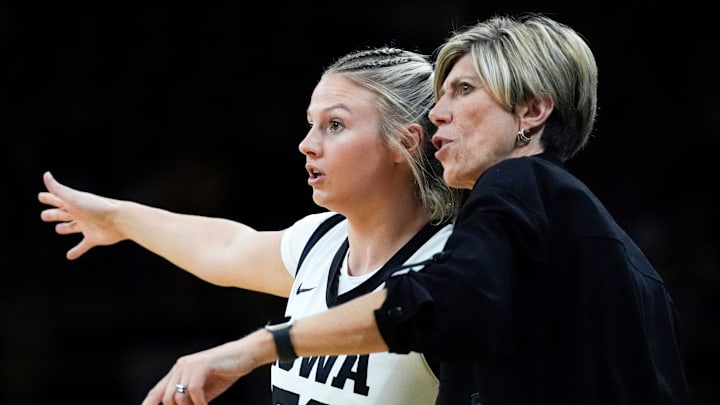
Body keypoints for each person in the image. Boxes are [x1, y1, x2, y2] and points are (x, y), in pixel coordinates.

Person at [107, 13, 691, 405]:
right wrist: (114, 216)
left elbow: (443, 299)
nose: (440, 113)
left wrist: (260, 345)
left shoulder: (519, 188)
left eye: (464, 91)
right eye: (439, 95)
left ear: (532, 112)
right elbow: (223, 247)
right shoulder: (583, 246)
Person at [38, 47, 466, 404]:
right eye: (310, 124)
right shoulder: (319, 241)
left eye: (334, 125)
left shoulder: (459, 263)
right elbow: (225, 249)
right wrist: (118, 218)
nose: (307, 144)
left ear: (405, 141)